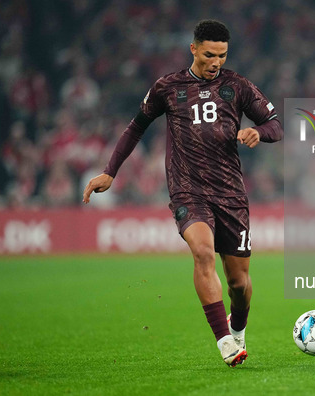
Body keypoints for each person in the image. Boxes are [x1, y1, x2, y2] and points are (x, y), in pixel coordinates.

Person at [82, 19, 283, 367]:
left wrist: (258, 133)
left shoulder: (237, 86)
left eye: (221, 55)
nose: (215, 62)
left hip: (231, 193)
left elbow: (276, 126)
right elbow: (136, 128)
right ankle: (225, 343)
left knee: (239, 282)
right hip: (187, 190)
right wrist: (109, 171)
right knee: (203, 253)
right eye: (209, 54)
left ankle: (238, 328)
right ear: (193, 49)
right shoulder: (167, 87)